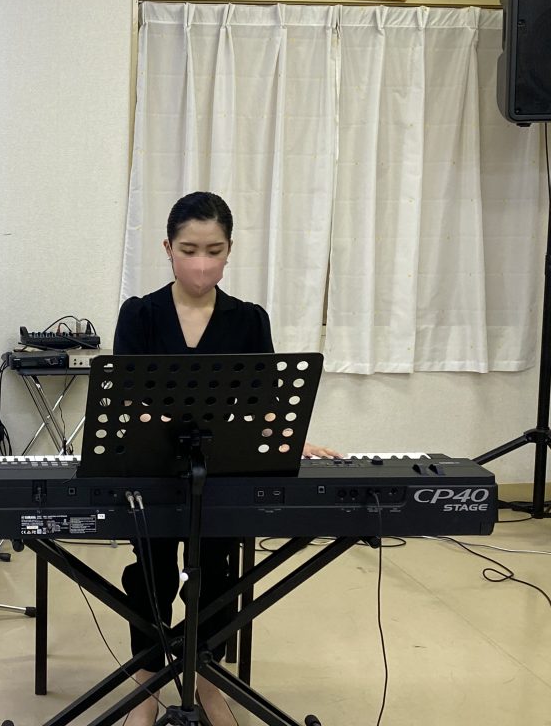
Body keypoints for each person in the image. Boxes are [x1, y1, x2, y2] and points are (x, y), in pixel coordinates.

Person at [114, 191, 340, 725]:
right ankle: (147, 678)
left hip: (223, 471)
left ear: (229, 250)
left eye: (213, 251)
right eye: (189, 250)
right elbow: (126, 397)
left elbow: (264, 403)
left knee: (217, 573)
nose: (201, 264)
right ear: (167, 248)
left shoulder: (248, 319)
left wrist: (287, 438)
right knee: (152, 574)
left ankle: (208, 675)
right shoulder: (140, 314)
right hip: (154, 470)